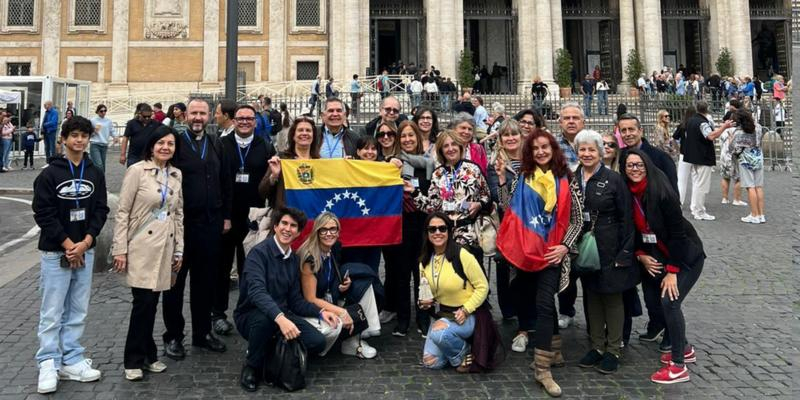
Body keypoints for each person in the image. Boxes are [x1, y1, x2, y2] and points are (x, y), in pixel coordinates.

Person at [497, 128, 583, 397]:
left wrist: (564, 246)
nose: (541, 152)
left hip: (552, 253)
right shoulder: (522, 178)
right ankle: (555, 349)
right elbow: (507, 210)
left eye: (545, 147)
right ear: (530, 152)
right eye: (536, 149)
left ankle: (542, 368)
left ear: (553, 149)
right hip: (526, 252)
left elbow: (578, 220)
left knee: (545, 304)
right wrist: (501, 182)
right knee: (538, 302)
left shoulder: (567, 179)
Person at [32, 116, 109, 394]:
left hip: (84, 251)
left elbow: (101, 209)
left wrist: (87, 242)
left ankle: (72, 358)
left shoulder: (95, 172)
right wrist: (68, 244)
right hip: (56, 252)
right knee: (52, 312)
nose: (79, 140)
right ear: (63, 138)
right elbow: (44, 214)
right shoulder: (49, 174)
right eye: (74, 135)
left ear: (89, 139)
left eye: (83, 135)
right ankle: (48, 361)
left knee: (78, 309)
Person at [621, 149, 705, 385]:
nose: (634, 169)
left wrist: (673, 272)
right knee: (659, 300)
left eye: (639, 165)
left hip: (686, 257)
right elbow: (634, 232)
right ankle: (685, 347)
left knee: (670, 301)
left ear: (647, 166)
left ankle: (678, 366)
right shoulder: (629, 193)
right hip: (658, 254)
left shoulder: (662, 193)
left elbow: (678, 236)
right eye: (630, 166)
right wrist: (640, 254)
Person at [234, 207, 339, 392]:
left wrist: (321, 312)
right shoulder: (258, 254)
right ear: (275, 226)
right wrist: (280, 318)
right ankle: (252, 365)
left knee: (318, 341)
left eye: (293, 226)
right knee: (266, 320)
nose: (287, 229)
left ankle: (269, 350)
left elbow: (296, 301)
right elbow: (257, 292)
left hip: (283, 314)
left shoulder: (292, 260)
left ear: (298, 233)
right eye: (284, 223)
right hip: (252, 315)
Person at [111, 126, 184, 381]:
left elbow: (178, 214)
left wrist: (179, 249)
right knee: (142, 303)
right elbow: (122, 211)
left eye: (171, 144)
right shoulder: (137, 171)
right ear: (151, 146)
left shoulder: (176, 174)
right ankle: (133, 358)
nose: (166, 147)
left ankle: (148, 354)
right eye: (161, 143)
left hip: (165, 246)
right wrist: (120, 248)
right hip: (141, 245)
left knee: (152, 304)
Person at [161, 99, 228, 360]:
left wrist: (225, 215)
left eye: (202, 113)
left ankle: (202, 333)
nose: (198, 118)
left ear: (209, 116)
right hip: (180, 225)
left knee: (205, 283)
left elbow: (225, 181)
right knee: (175, 283)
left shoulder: (216, 144)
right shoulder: (175, 144)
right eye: (193, 113)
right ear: (184, 116)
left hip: (209, 224)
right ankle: (174, 336)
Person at [572, 130, 637, 374]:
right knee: (591, 295)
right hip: (584, 246)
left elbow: (627, 217)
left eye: (591, 149)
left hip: (610, 245)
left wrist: (625, 252)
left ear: (601, 152)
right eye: (582, 149)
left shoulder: (613, 179)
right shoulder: (573, 177)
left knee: (611, 296)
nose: (587, 154)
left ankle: (614, 349)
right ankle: (597, 345)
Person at [213, 105, 276, 336]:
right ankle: (217, 313)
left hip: (255, 216)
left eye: (249, 118)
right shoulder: (221, 145)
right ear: (234, 120)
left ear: (255, 122)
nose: (245, 122)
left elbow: (271, 180)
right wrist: (222, 215)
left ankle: (247, 310)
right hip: (227, 216)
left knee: (249, 268)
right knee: (221, 267)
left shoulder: (265, 146)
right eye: (241, 118)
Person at [298, 213, 381, 357]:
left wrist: (341, 283)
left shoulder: (334, 247)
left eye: (333, 229)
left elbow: (329, 275)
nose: (329, 234)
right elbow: (310, 299)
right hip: (311, 308)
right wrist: (341, 312)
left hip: (328, 296)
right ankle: (324, 347)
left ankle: (360, 334)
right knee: (333, 327)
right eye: (324, 230)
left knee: (364, 285)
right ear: (317, 232)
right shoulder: (309, 258)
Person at [381, 121, 436, 336]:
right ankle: (403, 319)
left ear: (418, 138)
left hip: (423, 224)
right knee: (402, 274)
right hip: (400, 223)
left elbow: (433, 195)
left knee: (423, 274)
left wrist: (415, 193)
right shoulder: (390, 164)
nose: (407, 140)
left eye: (411, 136)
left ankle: (424, 317)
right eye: (403, 136)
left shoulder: (428, 164)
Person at [418, 212, 490, 371]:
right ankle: (453, 344)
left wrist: (466, 309)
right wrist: (424, 303)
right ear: (427, 233)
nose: (437, 233)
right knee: (432, 362)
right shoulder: (424, 261)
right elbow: (425, 291)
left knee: (439, 335)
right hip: (442, 314)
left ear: (449, 232)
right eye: (432, 229)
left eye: (442, 228)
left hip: (467, 315)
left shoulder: (462, 254)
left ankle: (464, 355)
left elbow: (483, 286)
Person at [411, 130, 491, 265]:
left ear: (460, 147)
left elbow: (487, 196)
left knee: (471, 276)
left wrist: (479, 204)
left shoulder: (473, 169)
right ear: (441, 151)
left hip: (469, 233)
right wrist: (413, 192)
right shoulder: (438, 174)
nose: (450, 149)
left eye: (453, 144)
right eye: (446, 146)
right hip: (444, 235)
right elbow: (432, 207)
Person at [486, 119, 523, 320]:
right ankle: (509, 310)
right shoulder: (495, 165)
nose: (510, 138)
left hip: (529, 224)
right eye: (506, 135)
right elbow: (499, 200)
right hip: (507, 224)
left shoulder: (532, 160)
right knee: (505, 266)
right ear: (500, 139)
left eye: (514, 134)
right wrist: (502, 181)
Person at [682, 101, 733, 221]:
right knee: (701, 185)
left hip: (692, 156)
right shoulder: (702, 123)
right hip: (702, 156)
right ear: (707, 109)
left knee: (696, 183)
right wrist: (724, 127)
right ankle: (699, 211)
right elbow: (710, 136)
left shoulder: (691, 120)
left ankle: (695, 208)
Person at [258, 117, 321, 210]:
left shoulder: (319, 162)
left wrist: (346, 165)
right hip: (286, 218)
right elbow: (262, 192)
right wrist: (274, 176)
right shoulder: (281, 159)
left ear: (313, 136)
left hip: (312, 216)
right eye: (300, 130)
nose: (304, 133)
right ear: (293, 135)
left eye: (308, 130)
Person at [617, 114, 678, 193]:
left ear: (640, 131)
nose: (627, 134)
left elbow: (672, 193)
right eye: (623, 130)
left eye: (631, 129)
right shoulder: (619, 156)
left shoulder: (662, 158)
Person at [729, 109, 765, 224]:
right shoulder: (758, 127)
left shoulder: (738, 133)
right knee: (758, 186)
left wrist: (730, 141)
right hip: (758, 157)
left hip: (745, 160)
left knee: (750, 187)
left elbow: (733, 149)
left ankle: (754, 214)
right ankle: (761, 214)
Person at [718, 121, 747, 206]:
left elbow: (721, 143)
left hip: (724, 155)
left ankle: (725, 198)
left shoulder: (723, 131)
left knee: (725, 177)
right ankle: (736, 199)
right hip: (734, 157)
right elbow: (738, 147)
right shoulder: (738, 132)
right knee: (738, 178)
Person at [89, 104, 115, 173]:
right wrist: (94, 132)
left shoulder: (108, 121)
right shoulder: (93, 121)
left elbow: (112, 130)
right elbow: (88, 134)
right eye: (101, 111)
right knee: (99, 164)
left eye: (105, 111)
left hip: (104, 145)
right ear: (97, 111)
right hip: (95, 144)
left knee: (103, 165)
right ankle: (97, 179)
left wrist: (116, 137)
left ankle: (101, 181)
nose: (103, 112)